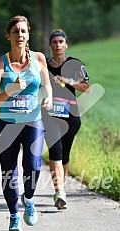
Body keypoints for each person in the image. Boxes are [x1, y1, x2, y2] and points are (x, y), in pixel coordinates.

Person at [0, 15, 52, 231]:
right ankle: (14, 215)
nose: (19, 35)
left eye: (23, 31)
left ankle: (29, 199)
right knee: (9, 172)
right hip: (7, 125)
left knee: (32, 167)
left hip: (33, 123)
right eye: (15, 32)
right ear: (8, 36)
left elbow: (46, 83)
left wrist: (48, 97)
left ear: (28, 34)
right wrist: (10, 90)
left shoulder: (39, 59)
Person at [42, 29, 90, 210]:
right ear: (50, 45)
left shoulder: (75, 64)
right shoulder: (44, 64)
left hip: (71, 115)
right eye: (54, 42)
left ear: (66, 44)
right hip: (50, 114)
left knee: (65, 154)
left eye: (61, 42)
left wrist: (69, 81)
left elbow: (87, 88)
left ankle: (61, 188)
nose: (58, 45)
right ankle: (59, 191)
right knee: (55, 149)